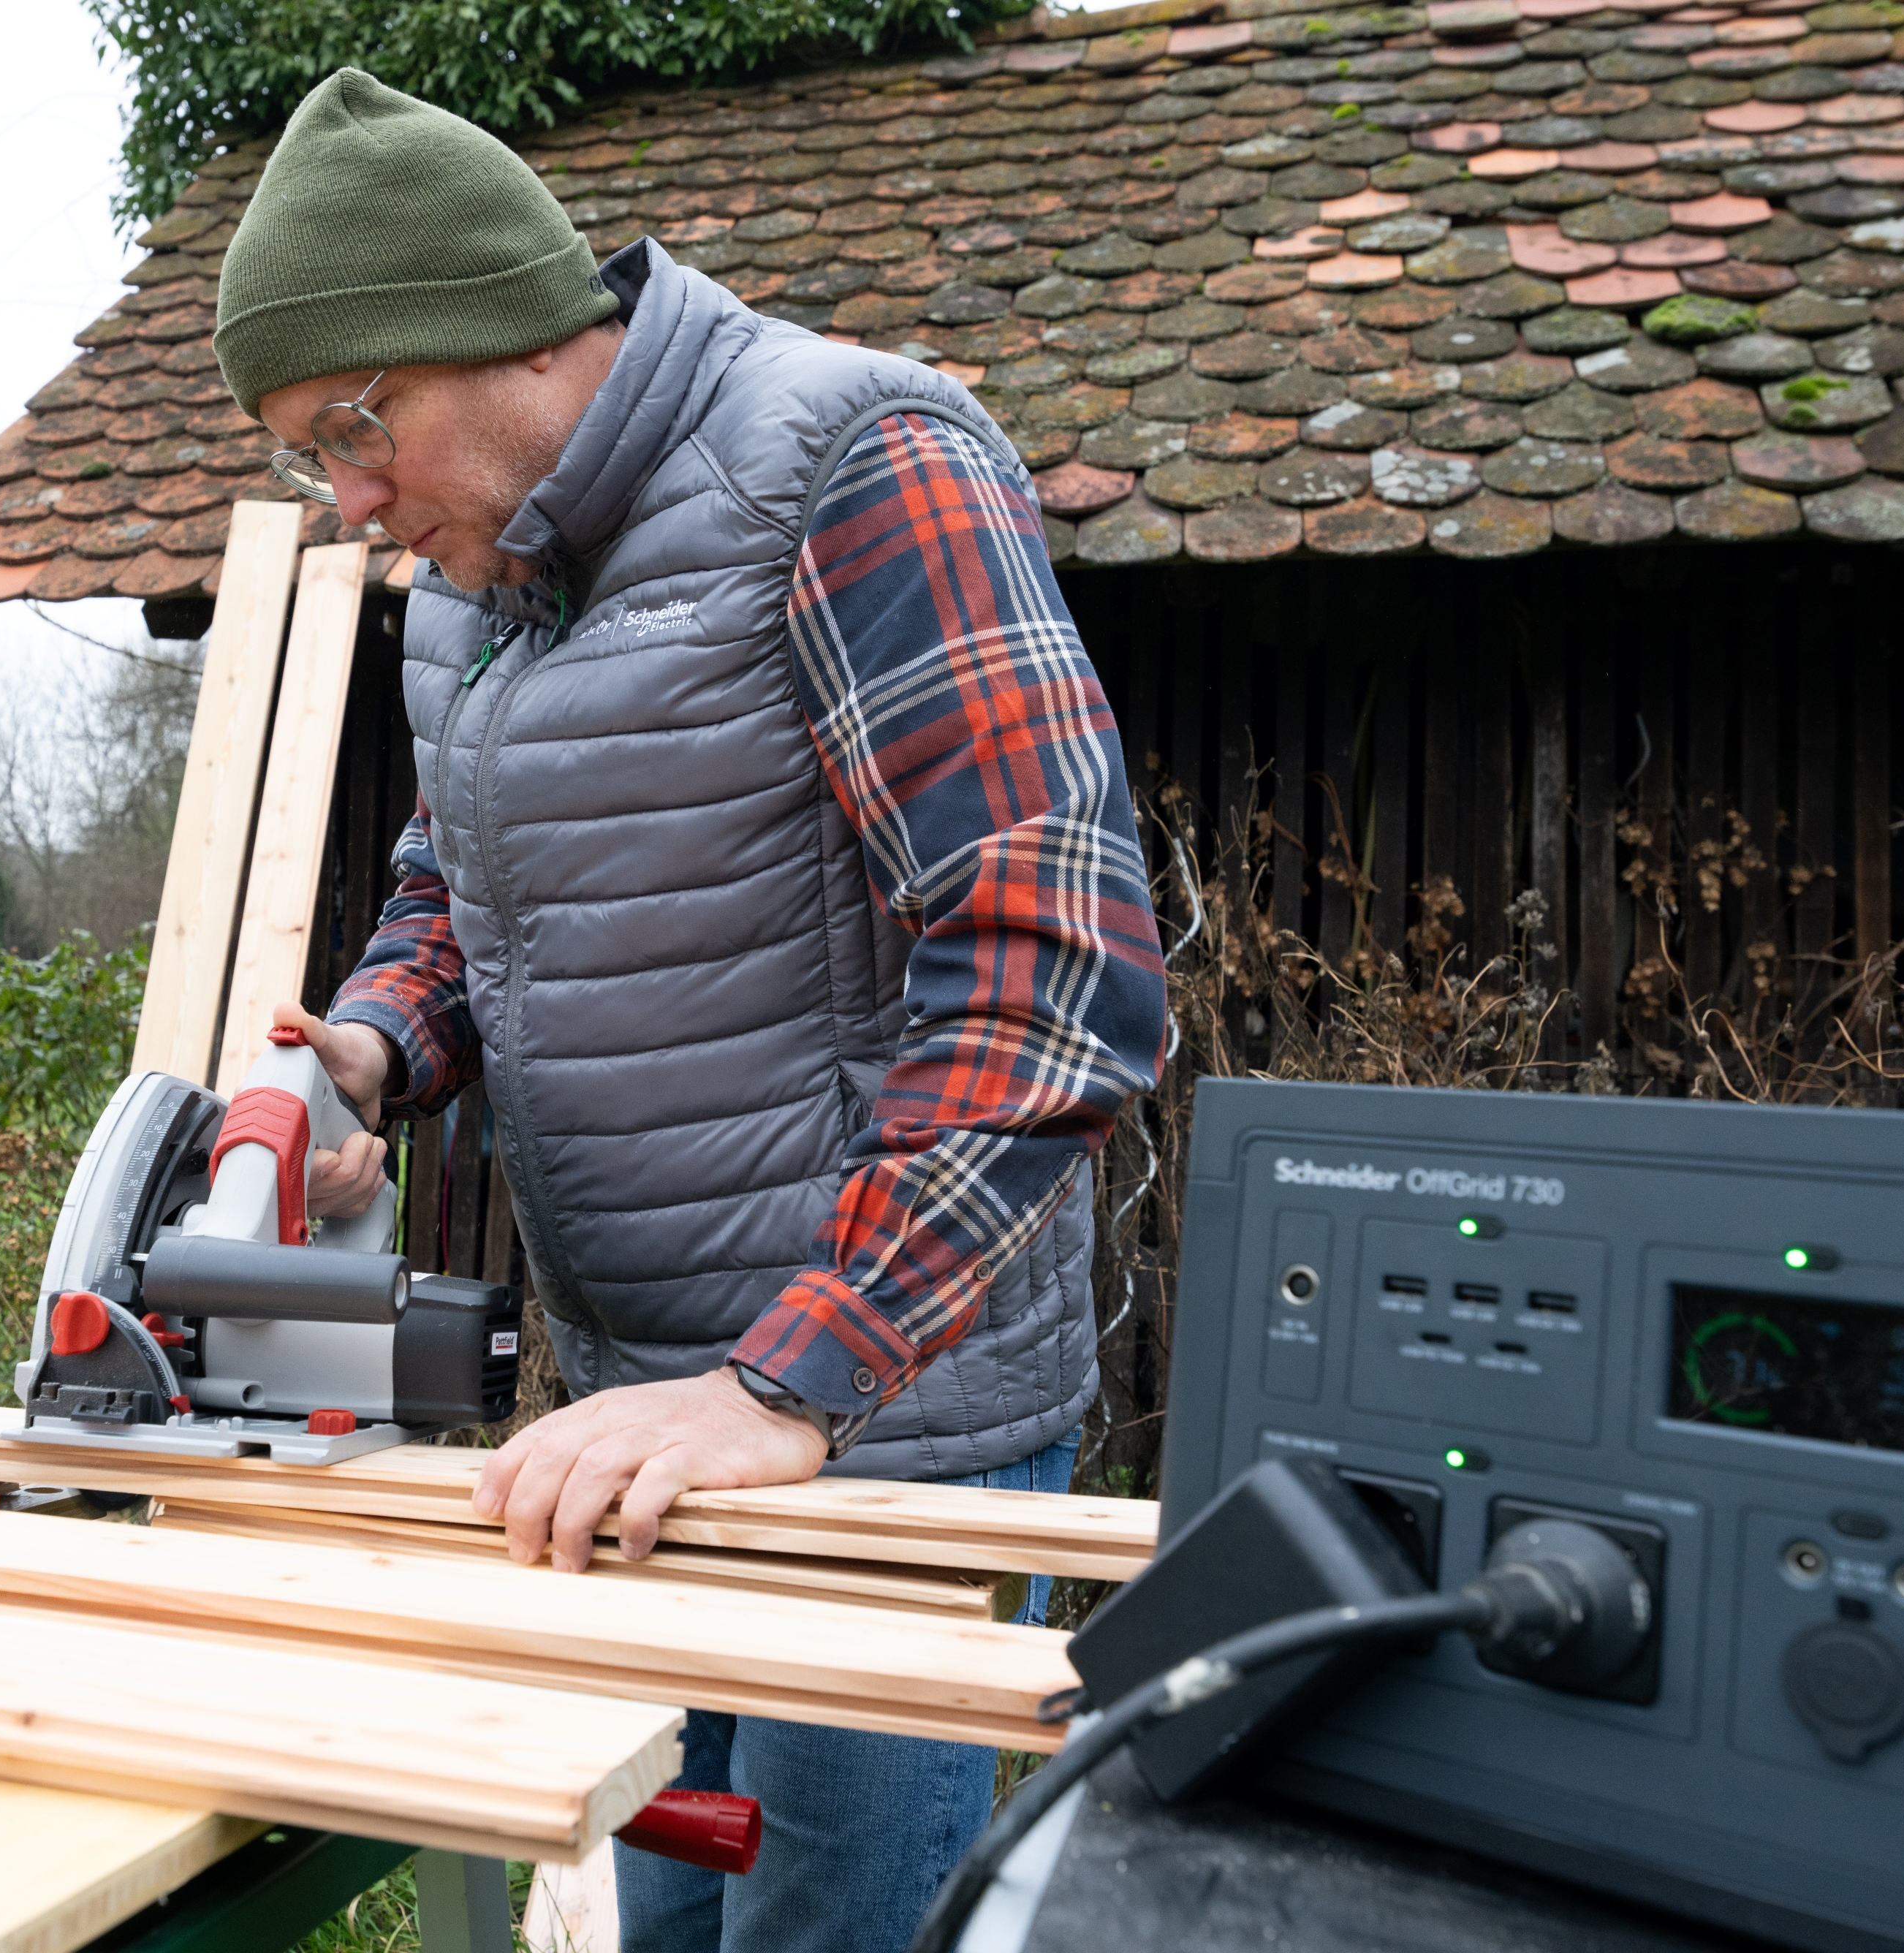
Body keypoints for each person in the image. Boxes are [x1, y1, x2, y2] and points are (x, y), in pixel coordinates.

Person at [210, 67, 1167, 1953]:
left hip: (879, 1421)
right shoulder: (468, 595)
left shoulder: (857, 462)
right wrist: (373, 1050)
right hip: (642, 1429)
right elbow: (450, 895)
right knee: (666, 1919)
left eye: (353, 425)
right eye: (309, 455)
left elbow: (1051, 967)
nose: (351, 498)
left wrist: (791, 1384)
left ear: (492, 337)